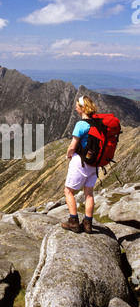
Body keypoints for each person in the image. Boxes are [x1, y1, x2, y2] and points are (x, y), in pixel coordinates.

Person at [62, 95, 98, 234]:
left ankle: (73, 222)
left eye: (77, 105)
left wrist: (68, 155)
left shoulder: (81, 124)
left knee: (68, 191)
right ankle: (88, 224)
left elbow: (72, 146)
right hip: (94, 164)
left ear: (83, 108)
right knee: (89, 194)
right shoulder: (97, 124)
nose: (75, 107)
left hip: (81, 162)